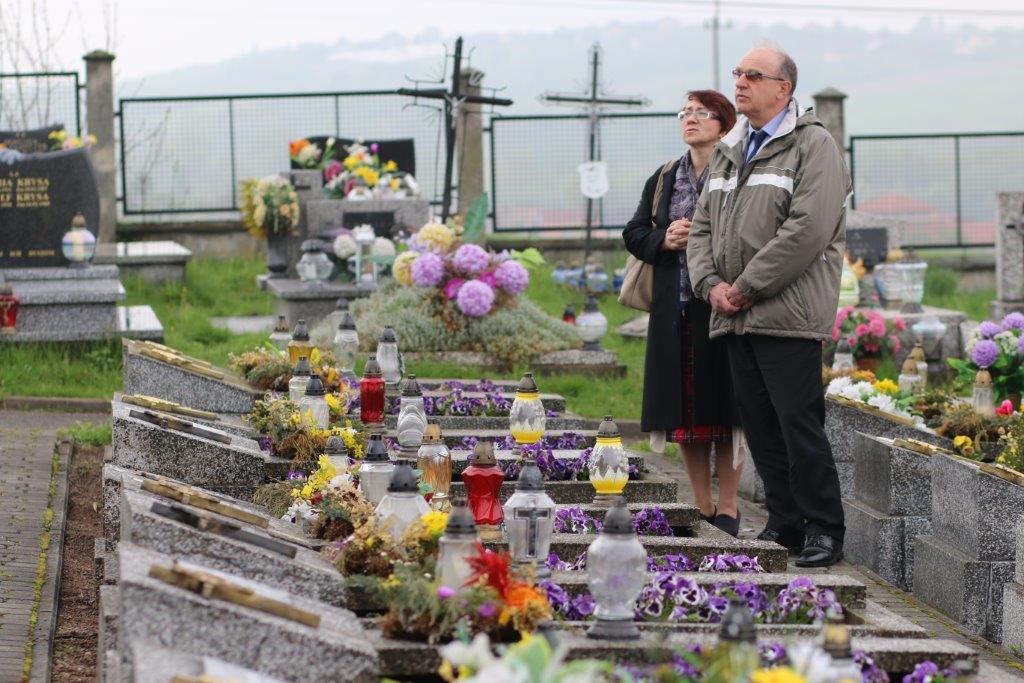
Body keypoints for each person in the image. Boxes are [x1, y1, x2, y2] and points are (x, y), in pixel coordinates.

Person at [687, 44, 851, 567]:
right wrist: (710, 284)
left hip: (787, 314)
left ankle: (823, 528)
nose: (740, 82)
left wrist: (745, 287)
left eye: (753, 75)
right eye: (739, 73)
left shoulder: (813, 145)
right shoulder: (731, 147)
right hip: (734, 313)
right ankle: (785, 524)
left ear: (784, 88)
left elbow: (807, 230)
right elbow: (702, 228)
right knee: (760, 426)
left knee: (798, 425)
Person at [623, 90, 745, 537]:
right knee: (687, 414)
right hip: (673, 309)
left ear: (724, 125)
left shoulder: (739, 172)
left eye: (702, 113)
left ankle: (728, 505)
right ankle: (700, 504)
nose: (690, 119)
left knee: (727, 410)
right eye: (685, 112)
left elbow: (753, 231)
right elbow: (634, 232)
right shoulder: (665, 176)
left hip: (723, 306)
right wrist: (664, 239)